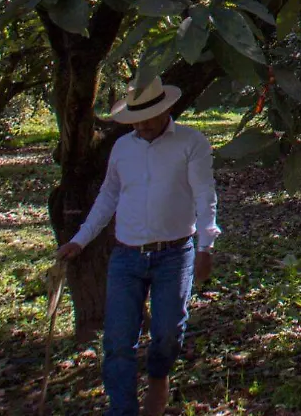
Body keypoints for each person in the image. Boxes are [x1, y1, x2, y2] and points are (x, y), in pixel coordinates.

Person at [57, 81, 218, 416]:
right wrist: (80, 239)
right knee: (117, 341)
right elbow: (108, 196)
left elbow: (205, 196)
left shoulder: (191, 142)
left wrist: (206, 246)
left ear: (166, 109)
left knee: (168, 332)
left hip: (174, 254)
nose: (143, 125)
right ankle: (123, 409)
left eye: (150, 116)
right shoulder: (122, 149)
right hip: (127, 254)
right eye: (137, 118)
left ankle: (158, 378)